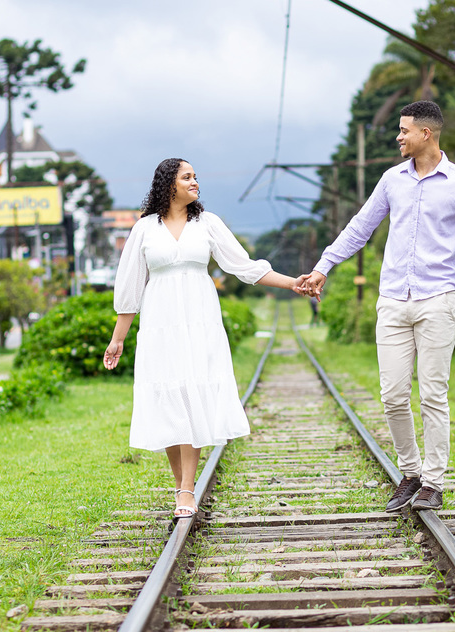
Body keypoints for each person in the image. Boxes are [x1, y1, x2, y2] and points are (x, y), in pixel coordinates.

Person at [297, 100, 455, 513]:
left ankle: (434, 483)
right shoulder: (391, 181)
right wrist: (324, 266)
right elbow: (360, 227)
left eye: (404, 131)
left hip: (438, 300)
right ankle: (411, 473)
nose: (398, 137)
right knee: (393, 394)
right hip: (393, 302)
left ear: (426, 134)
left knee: (433, 395)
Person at [103, 158, 309, 519]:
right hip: (160, 323)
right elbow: (130, 288)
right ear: (169, 185)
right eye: (187, 177)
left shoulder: (208, 223)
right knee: (168, 397)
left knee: (194, 392)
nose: (195, 182)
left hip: (200, 321)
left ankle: (186, 488)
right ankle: (181, 482)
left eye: (196, 176)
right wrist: (118, 339)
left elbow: (245, 267)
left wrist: (293, 283)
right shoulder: (145, 229)